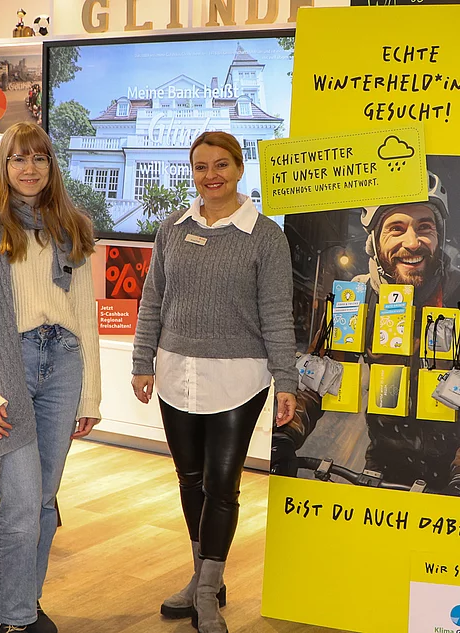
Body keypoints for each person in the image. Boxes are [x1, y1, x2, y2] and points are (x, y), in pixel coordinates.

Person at [130, 130, 297, 633]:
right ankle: (205, 577)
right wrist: (142, 361)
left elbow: (277, 313)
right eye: (201, 166)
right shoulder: (172, 229)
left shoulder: (265, 236)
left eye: (221, 165)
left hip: (239, 378)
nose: (211, 175)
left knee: (222, 488)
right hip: (175, 372)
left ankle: (205, 594)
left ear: (240, 168)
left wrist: (286, 379)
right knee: (190, 481)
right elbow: (153, 300)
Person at [272, 170, 460, 500]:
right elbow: (316, 381)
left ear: (439, 235)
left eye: (425, 227)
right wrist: (284, 436)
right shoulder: (356, 299)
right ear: (374, 241)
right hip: (383, 469)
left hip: (457, 475)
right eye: (396, 229)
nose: (412, 242)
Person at [0, 122, 100, 633]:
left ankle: (26, 605)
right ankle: (12, 621)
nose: (29, 168)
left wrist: (90, 396)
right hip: (7, 368)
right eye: (18, 158)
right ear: (4, 165)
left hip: (64, 364)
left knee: (44, 500)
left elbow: (85, 317)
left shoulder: (71, 228)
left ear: (51, 165)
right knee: (19, 503)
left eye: (39, 158)